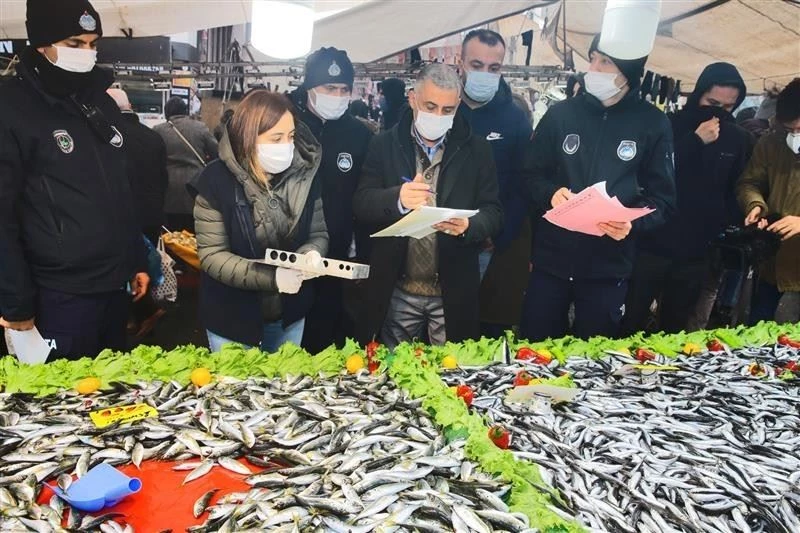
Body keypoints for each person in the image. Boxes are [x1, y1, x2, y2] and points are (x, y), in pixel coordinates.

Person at [0, 0, 149, 360]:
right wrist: (16, 303)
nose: (87, 53)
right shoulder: (12, 108)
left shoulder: (100, 102)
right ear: (40, 44)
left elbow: (119, 190)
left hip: (114, 287)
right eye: (74, 43)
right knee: (60, 403)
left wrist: (135, 260)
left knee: (112, 396)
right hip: (57, 294)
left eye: (92, 43)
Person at [520, 35, 676, 341]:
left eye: (605, 61)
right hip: (551, 262)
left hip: (608, 268)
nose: (594, 68)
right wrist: (550, 194)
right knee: (536, 349)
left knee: (594, 358)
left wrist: (631, 223)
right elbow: (529, 174)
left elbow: (664, 201)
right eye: (592, 58)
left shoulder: (653, 124)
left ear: (627, 71)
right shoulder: (561, 115)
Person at [353, 63, 503, 348]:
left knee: (451, 374)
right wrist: (396, 199)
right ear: (412, 99)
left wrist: (469, 225)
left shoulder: (477, 150)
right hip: (397, 287)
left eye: (448, 110)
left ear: (458, 105)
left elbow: (494, 212)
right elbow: (361, 203)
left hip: (452, 288)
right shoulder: (383, 145)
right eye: (430, 106)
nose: (438, 116)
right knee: (393, 372)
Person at [190, 90, 328, 352]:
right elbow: (212, 256)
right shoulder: (215, 181)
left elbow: (318, 233)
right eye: (276, 138)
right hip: (232, 320)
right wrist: (273, 277)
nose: (286, 146)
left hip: (289, 316)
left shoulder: (306, 177)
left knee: (285, 389)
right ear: (249, 136)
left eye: (290, 137)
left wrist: (310, 254)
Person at [622, 63, 752, 334]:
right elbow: (647, 174)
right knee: (629, 319)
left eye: (727, 108)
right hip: (652, 242)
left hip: (696, 251)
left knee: (675, 327)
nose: (717, 113)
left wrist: (727, 225)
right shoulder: (670, 125)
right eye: (711, 102)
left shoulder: (739, 139)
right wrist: (694, 141)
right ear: (698, 95)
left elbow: (736, 188)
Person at [288, 48, 373, 353]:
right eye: (329, 88)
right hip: (288, 255)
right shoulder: (287, 125)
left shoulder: (359, 135)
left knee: (325, 339)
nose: (337, 95)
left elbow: (365, 196)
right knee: (286, 341)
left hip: (335, 261)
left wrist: (361, 252)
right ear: (309, 87)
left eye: (343, 89)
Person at [456, 29, 533, 338]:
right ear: (460, 63)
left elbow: (522, 183)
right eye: (476, 65)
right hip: (438, 238)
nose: (485, 74)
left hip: (489, 244)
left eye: (494, 68)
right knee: (441, 323)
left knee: (484, 323)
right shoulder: (442, 110)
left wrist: (499, 233)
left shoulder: (514, 120)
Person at [737, 78, 800, 324]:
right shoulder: (771, 143)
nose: (794, 136)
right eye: (789, 129)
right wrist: (754, 205)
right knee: (758, 337)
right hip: (772, 265)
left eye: (799, 129)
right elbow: (749, 182)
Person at [108, 88, 169, 337]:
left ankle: (131, 317)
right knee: (145, 264)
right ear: (130, 105)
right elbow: (163, 179)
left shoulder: (110, 137)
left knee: (124, 267)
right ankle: (143, 312)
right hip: (151, 214)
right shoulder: (153, 137)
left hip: (123, 216)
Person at [154, 96, 218, 233]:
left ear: (167, 113)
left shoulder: (158, 130)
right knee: (195, 232)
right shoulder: (200, 128)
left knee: (171, 233)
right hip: (195, 187)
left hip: (168, 189)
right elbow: (217, 154)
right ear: (185, 111)